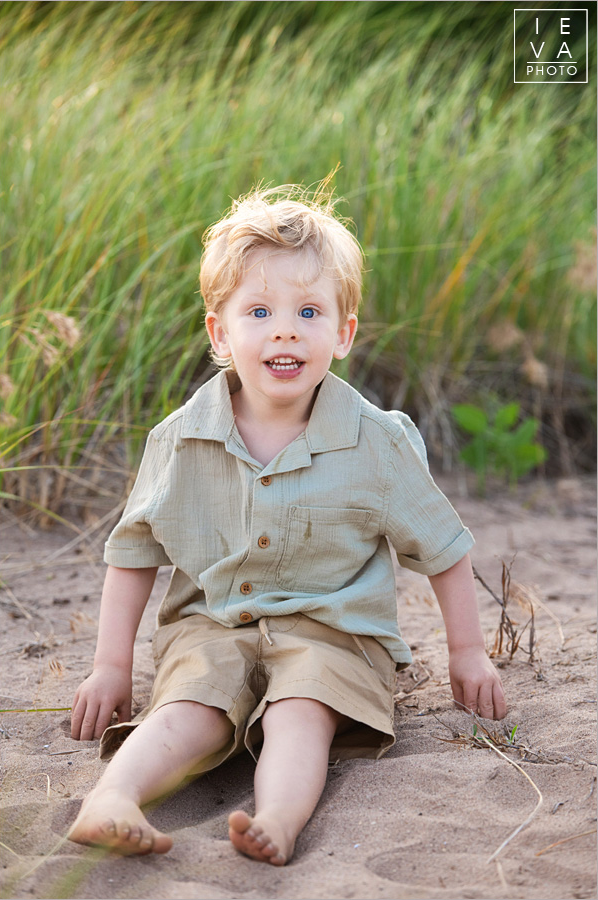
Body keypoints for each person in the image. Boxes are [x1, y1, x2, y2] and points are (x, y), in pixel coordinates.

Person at [68, 184, 506, 865]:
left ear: (343, 333)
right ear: (221, 332)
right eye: (260, 311)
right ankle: (112, 798)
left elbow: (443, 549)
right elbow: (134, 554)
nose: (285, 330)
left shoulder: (375, 442)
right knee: (191, 707)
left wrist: (468, 653)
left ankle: (276, 818)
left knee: (300, 711)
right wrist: (110, 666)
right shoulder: (180, 440)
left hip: (335, 633)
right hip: (215, 622)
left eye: (309, 311)